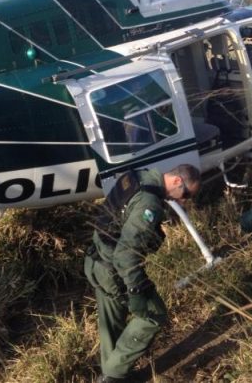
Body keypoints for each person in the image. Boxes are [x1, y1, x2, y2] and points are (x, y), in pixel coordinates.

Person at [84, 164, 201, 383]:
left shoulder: (140, 175)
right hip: (114, 271)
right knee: (154, 315)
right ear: (177, 181)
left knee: (112, 322)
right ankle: (114, 375)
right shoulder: (150, 204)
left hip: (95, 260)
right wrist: (136, 288)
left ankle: (112, 374)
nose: (183, 201)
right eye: (185, 194)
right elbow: (125, 256)